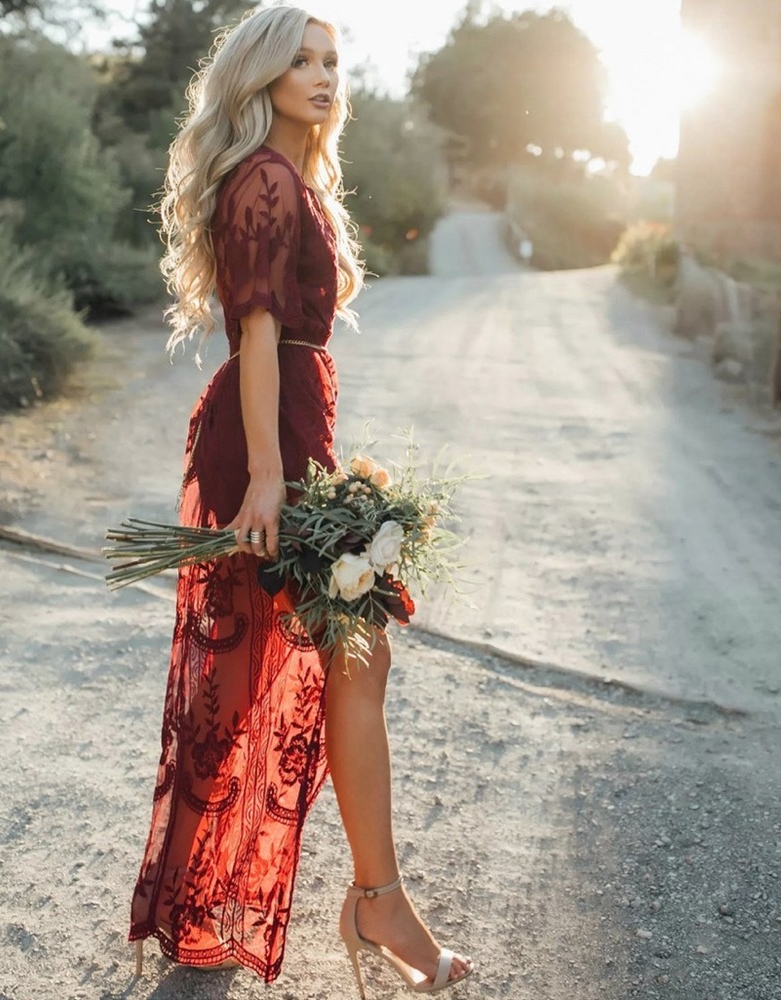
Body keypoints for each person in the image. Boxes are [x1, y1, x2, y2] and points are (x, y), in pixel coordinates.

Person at [128, 5, 474, 994]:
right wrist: (276, 478)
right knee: (297, 669)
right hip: (262, 453)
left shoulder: (291, 178)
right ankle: (356, 903)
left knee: (320, 666)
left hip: (292, 443)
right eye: (302, 60)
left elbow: (291, 350)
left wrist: (319, 467)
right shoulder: (264, 179)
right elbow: (260, 332)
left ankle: (357, 900)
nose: (324, 76)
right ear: (260, 73)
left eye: (333, 60)